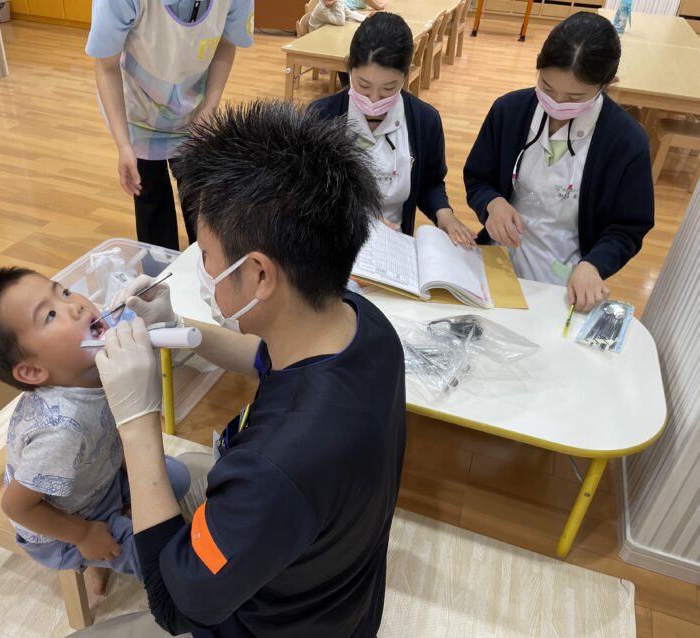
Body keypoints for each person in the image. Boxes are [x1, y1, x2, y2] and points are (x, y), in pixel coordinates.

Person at [94, 100, 406, 635]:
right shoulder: (363, 324)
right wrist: (178, 324)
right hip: (340, 596)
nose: (202, 267)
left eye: (206, 253)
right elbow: (266, 360)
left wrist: (137, 424)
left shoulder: (274, 470)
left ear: (259, 274)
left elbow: (173, 606)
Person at [0, 267, 190, 595]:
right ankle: (91, 556)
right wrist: (83, 535)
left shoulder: (89, 365)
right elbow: (17, 506)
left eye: (63, 292)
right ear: (33, 370)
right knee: (156, 559)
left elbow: (113, 429)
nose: (76, 305)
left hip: (97, 478)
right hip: (63, 524)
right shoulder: (61, 431)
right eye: (50, 315)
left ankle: (102, 551)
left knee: (177, 479)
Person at [463, 13, 654, 311]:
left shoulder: (626, 141)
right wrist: (492, 202)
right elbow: (477, 178)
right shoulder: (509, 111)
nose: (558, 104)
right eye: (547, 88)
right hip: (496, 262)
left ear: (607, 83)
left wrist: (594, 265)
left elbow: (627, 227)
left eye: (575, 97)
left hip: (566, 280)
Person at [87, 0, 254, 251]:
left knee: (199, 198)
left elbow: (226, 43)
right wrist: (123, 145)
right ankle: (161, 278)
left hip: (193, 107)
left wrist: (209, 108)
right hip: (137, 110)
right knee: (150, 196)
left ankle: (205, 272)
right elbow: (106, 66)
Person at [311, 12, 476, 247]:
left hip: (394, 250)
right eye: (363, 86)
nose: (375, 99)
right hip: (332, 247)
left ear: (405, 76)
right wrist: (358, 219)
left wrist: (444, 214)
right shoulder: (321, 117)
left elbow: (430, 183)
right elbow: (305, 195)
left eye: (389, 88)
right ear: (349, 68)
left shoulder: (424, 121)